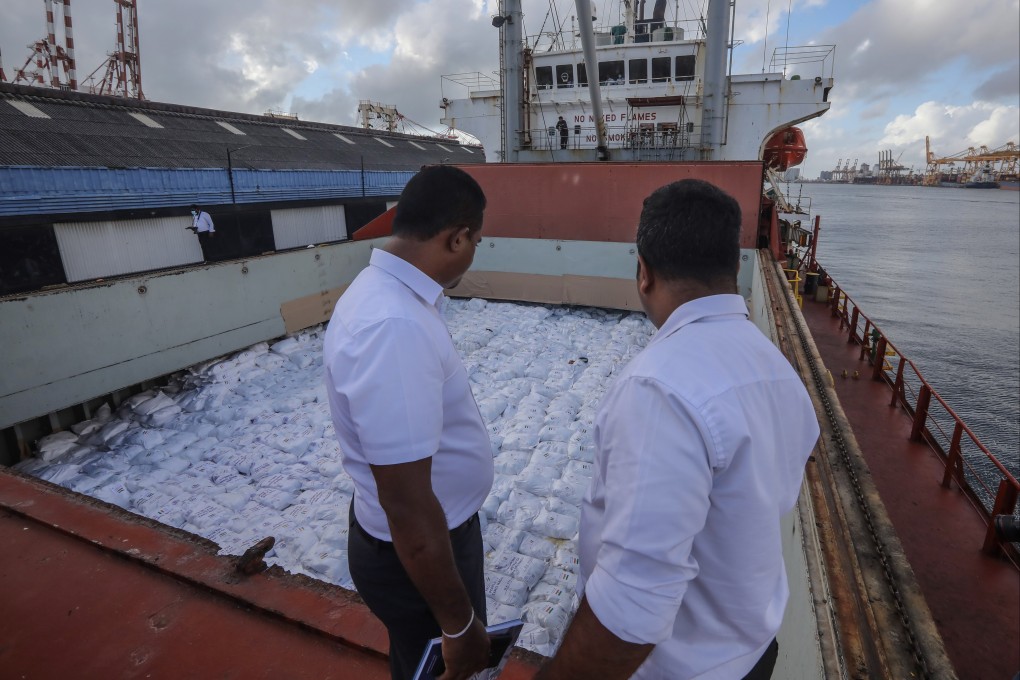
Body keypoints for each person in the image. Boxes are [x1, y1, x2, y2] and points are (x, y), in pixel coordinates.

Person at [535, 179, 820, 680]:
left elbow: (631, 605)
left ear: (643, 273)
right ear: (734, 269)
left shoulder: (659, 388)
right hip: (750, 651)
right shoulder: (777, 370)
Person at [322, 165, 493, 680]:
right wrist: (460, 627)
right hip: (420, 553)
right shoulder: (393, 326)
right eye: (476, 240)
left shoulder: (387, 294)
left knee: (417, 664)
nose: (474, 250)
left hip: (421, 545)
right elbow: (407, 503)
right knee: (447, 667)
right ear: (457, 238)